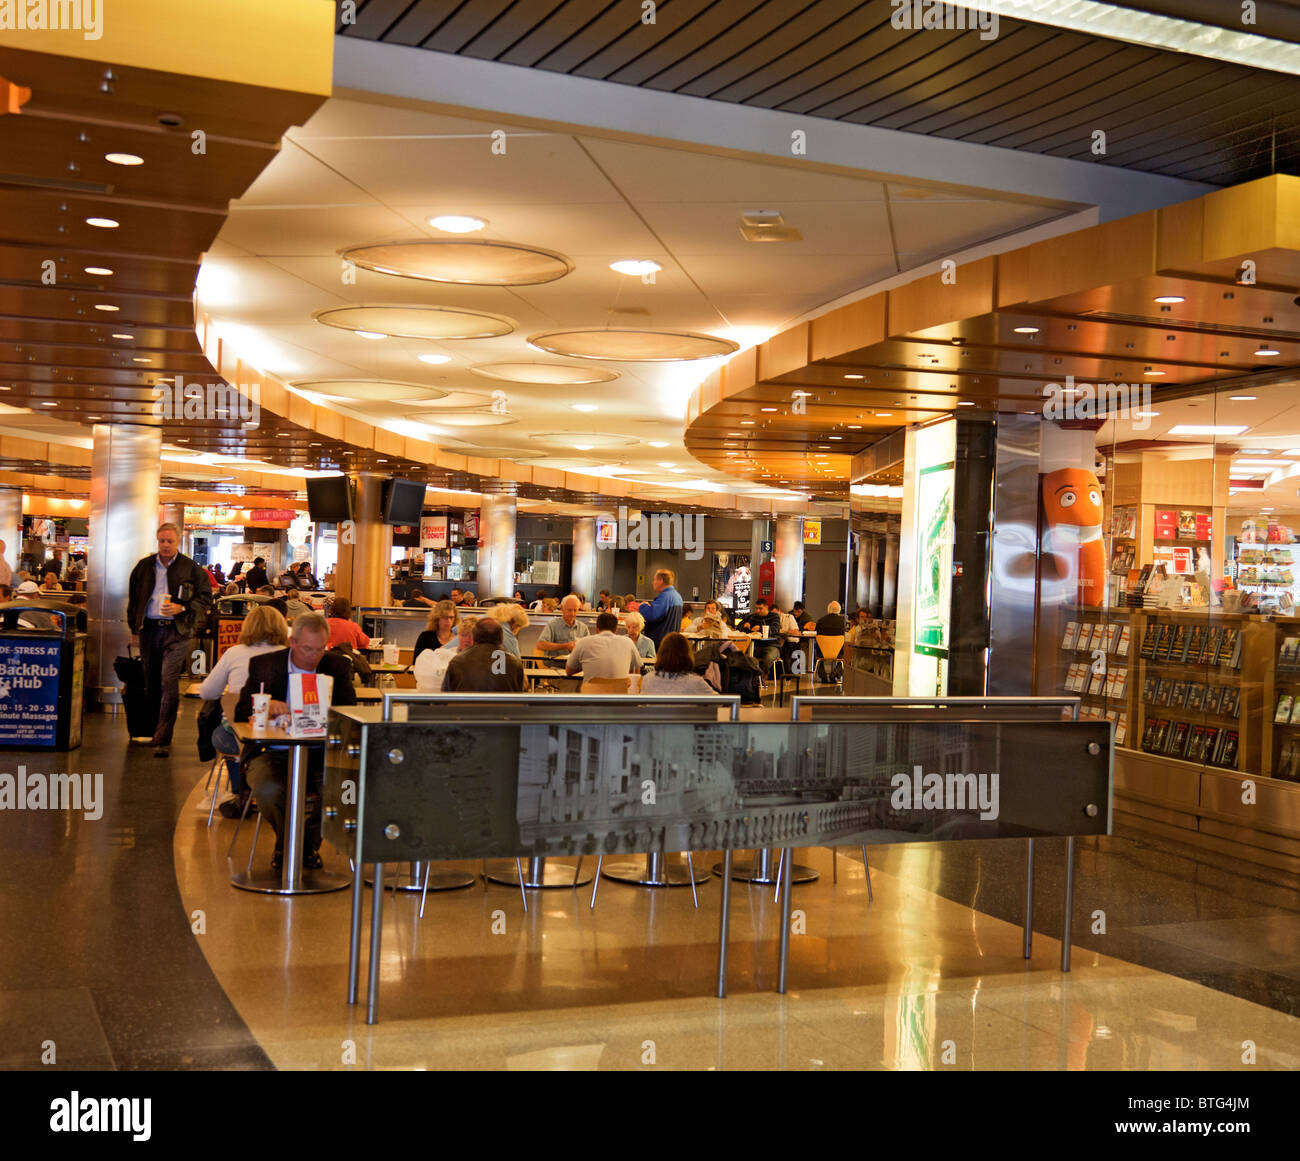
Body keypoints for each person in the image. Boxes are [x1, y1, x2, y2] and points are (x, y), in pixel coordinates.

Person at [234, 612, 357, 871]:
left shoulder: (337, 667)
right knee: (267, 789)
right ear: (292, 642)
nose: (314, 656)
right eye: (307, 649)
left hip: (323, 753)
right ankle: (294, 848)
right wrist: (266, 705)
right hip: (273, 750)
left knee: (343, 792)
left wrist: (328, 712)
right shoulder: (264, 665)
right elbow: (241, 710)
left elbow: (351, 715)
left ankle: (298, 848)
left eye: (320, 650)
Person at [127, 523, 214, 758]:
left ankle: (163, 736)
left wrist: (182, 607)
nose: (165, 545)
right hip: (149, 630)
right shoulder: (144, 567)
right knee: (152, 682)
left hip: (177, 631)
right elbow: (134, 600)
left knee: (168, 681)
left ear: (177, 542)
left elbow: (206, 597)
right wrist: (134, 629)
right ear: (157, 541)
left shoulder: (191, 568)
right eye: (162, 541)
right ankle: (153, 728)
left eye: (170, 541)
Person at [197, 604, 290, 818]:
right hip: (280, 736)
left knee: (225, 734)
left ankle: (242, 792)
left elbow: (207, 692)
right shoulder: (289, 656)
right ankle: (269, 792)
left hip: (237, 736)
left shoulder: (233, 653)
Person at [444, 618, 524, 692]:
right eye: (463, 635)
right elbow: (520, 693)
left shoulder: (457, 661)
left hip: (464, 706)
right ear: (501, 638)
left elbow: (446, 693)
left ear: (475, 636)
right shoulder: (515, 663)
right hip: (505, 707)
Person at [566, 612, 641, 680]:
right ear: (616, 630)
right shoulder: (628, 642)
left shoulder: (583, 642)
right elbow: (636, 669)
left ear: (597, 628)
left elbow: (569, 671)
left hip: (591, 692)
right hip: (619, 692)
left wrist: (585, 665)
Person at [640, 632, 717, 696]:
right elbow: (721, 702)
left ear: (661, 654)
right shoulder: (696, 683)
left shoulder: (648, 680)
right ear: (687, 654)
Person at [415, 614, 476, 691]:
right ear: (458, 636)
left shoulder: (481, 658)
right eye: (463, 635)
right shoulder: (444, 655)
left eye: (471, 636)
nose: (467, 639)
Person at [536, 594, 589, 668]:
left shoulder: (583, 628)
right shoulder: (553, 625)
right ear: (562, 609)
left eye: (575, 610)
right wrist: (565, 646)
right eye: (569, 610)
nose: (572, 614)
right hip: (556, 667)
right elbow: (540, 645)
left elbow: (589, 650)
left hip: (577, 668)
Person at [637, 569, 683, 647]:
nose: (652, 583)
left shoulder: (665, 597)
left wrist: (643, 606)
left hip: (660, 643)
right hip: (671, 642)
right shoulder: (677, 596)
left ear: (661, 581)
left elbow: (652, 615)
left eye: (654, 580)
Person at [740, 598, 783, 667]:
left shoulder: (774, 616)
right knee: (742, 656)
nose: (758, 611)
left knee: (768, 658)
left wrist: (760, 628)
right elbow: (745, 632)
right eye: (756, 608)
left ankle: (763, 676)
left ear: (766, 607)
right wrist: (746, 626)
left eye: (760, 608)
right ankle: (751, 676)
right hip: (756, 646)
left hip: (772, 645)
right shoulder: (754, 617)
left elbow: (775, 629)